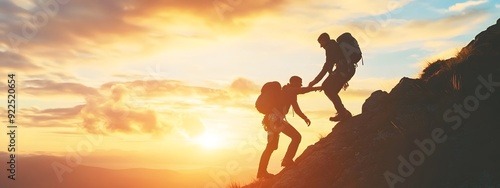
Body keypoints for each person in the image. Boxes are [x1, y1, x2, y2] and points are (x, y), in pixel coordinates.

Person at [257, 76, 320, 179]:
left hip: (271, 120)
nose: (301, 85)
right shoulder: (290, 90)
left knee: (271, 147)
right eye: (300, 83)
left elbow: (296, 108)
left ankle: (262, 172)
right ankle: (287, 160)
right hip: (275, 120)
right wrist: (317, 87)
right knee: (296, 137)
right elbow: (303, 91)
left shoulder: (289, 93)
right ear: (294, 83)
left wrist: (305, 118)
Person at [308, 32, 356, 122]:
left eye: (321, 43)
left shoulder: (330, 47)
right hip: (348, 70)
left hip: (344, 70)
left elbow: (327, 66)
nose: (321, 46)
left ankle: (343, 113)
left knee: (327, 87)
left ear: (324, 40)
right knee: (330, 90)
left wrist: (314, 81)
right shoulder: (334, 46)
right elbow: (330, 66)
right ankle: (341, 112)